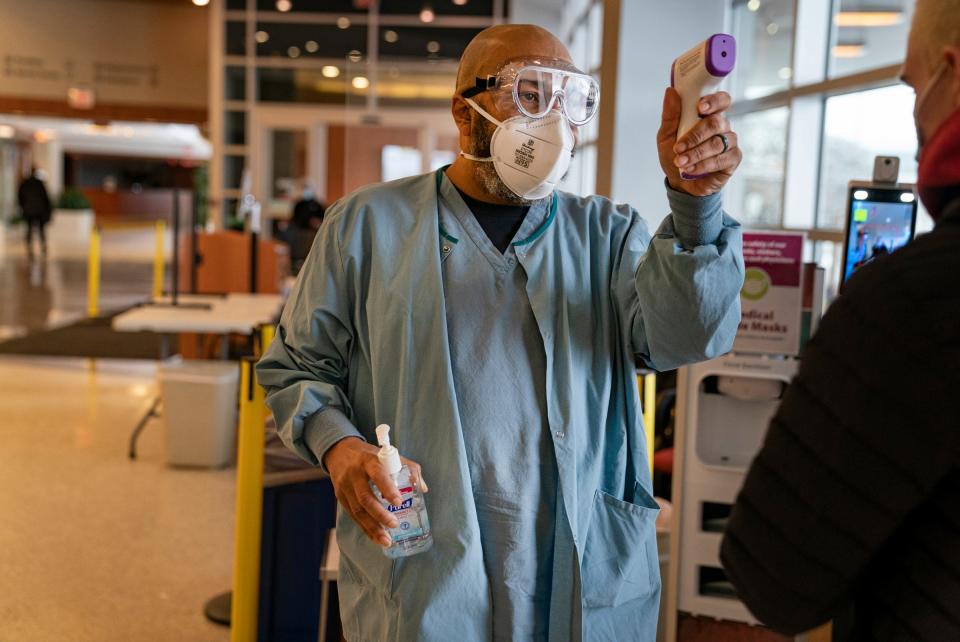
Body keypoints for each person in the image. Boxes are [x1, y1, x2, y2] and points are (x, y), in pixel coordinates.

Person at [258, 24, 744, 641]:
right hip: (427, 577)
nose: (553, 122)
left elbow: (687, 336)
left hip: (579, 573)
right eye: (531, 94)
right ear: (466, 113)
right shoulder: (367, 227)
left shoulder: (607, 236)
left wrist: (695, 207)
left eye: (570, 101)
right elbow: (297, 368)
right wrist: (341, 449)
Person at [720, 1, 960, 639]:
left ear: (951, 75)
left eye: (913, 85)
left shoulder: (914, 300)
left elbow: (772, 576)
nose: (916, 116)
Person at [17, 167, 52, 260]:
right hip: (39, 210)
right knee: (41, 229)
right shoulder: (39, 184)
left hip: (29, 210)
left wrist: (22, 207)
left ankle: (29, 247)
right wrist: (48, 210)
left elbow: (20, 197)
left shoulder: (25, 183)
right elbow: (46, 198)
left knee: (29, 229)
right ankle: (43, 246)